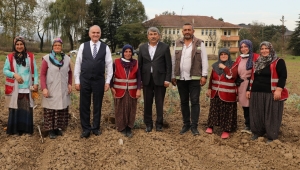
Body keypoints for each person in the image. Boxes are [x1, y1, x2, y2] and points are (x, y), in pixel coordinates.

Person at [74, 25, 113, 138]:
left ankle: (96, 127)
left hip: (99, 80)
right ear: (89, 34)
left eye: (98, 33)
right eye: (93, 32)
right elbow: (78, 63)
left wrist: (108, 82)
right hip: (85, 80)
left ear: (100, 34)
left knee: (97, 104)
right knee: (84, 105)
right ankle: (86, 128)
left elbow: (109, 65)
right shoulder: (83, 46)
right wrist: (77, 81)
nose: (95, 35)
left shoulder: (105, 47)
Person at [171, 23, 208, 135]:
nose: (187, 31)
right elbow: (174, 60)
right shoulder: (177, 43)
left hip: (195, 78)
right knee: (184, 102)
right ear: (182, 32)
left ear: (193, 31)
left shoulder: (199, 43)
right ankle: (186, 124)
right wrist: (173, 75)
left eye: (189, 30)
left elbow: (204, 59)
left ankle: (194, 126)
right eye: (185, 30)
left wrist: (204, 75)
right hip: (181, 78)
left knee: (195, 102)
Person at [247, 41, 288, 143]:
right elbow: (252, 77)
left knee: (271, 115)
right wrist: (249, 89)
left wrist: (279, 90)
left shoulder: (278, 61)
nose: (264, 51)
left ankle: (271, 135)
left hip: (271, 93)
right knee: (257, 113)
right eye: (262, 49)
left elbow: (283, 76)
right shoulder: (257, 62)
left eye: (266, 48)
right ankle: (257, 132)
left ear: (271, 49)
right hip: (256, 92)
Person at [138, 27, 172, 132]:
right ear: (148, 36)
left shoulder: (165, 47)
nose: (153, 36)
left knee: (159, 102)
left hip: (160, 79)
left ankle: (159, 124)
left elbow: (168, 65)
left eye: (155, 34)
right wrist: (140, 81)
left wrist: (167, 79)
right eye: (151, 34)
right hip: (146, 79)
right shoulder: (142, 48)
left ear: (159, 36)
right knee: (147, 102)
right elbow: (139, 65)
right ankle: (148, 124)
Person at [3, 36, 39, 135]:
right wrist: (14, 74)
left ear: (24, 45)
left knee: (26, 108)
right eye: (17, 44)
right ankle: (15, 130)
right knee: (15, 108)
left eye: (21, 44)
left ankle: (26, 129)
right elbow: (5, 70)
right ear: (15, 46)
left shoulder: (30, 57)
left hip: (27, 88)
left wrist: (36, 83)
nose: (19, 46)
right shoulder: (10, 57)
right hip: (15, 89)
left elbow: (35, 72)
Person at [40, 38, 72, 139]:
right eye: (55, 45)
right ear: (52, 47)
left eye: (59, 45)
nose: (57, 47)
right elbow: (42, 75)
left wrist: (70, 84)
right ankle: (51, 130)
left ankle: (58, 128)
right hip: (51, 87)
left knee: (62, 108)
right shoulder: (46, 59)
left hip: (63, 86)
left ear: (61, 47)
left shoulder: (67, 58)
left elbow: (70, 72)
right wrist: (44, 88)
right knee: (51, 109)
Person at [205, 48, 238, 139]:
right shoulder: (215, 66)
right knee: (214, 110)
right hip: (216, 93)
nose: (223, 56)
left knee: (227, 112)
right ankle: (210, 126)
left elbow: (233, 76)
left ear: (228, 55)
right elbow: (212, 78)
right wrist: (209, 88)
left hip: (228, 94)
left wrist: (224, 68)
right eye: (221, 54)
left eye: (225, 54)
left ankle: (226, 130)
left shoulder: (234, 65)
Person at [110, 44, 141, 137]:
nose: (128, 53)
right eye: (126, 52)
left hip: (132, 90)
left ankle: (129, 127)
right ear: (123, 53)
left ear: (132, 53)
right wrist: (111, 87)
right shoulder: (116, 62)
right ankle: (121, 127)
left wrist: (139, 89)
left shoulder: (136, 63)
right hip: (119, 90)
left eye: (130, 52)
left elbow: (139, 78)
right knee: (120, 109)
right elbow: (111, 76)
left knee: (131, 109)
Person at [234, 40, 259, 134]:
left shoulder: (256, 57)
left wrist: (250, 85)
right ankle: (248, 125)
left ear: (250, 47)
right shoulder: (239, 58)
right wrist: (236, 79)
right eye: (242, 47)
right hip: (242, 84)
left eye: (246, 46)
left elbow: (257, 72)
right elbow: (235, 69)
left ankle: (255, 125)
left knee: (253, 105)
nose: (244, 49)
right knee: (245, 106)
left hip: (252, 84)